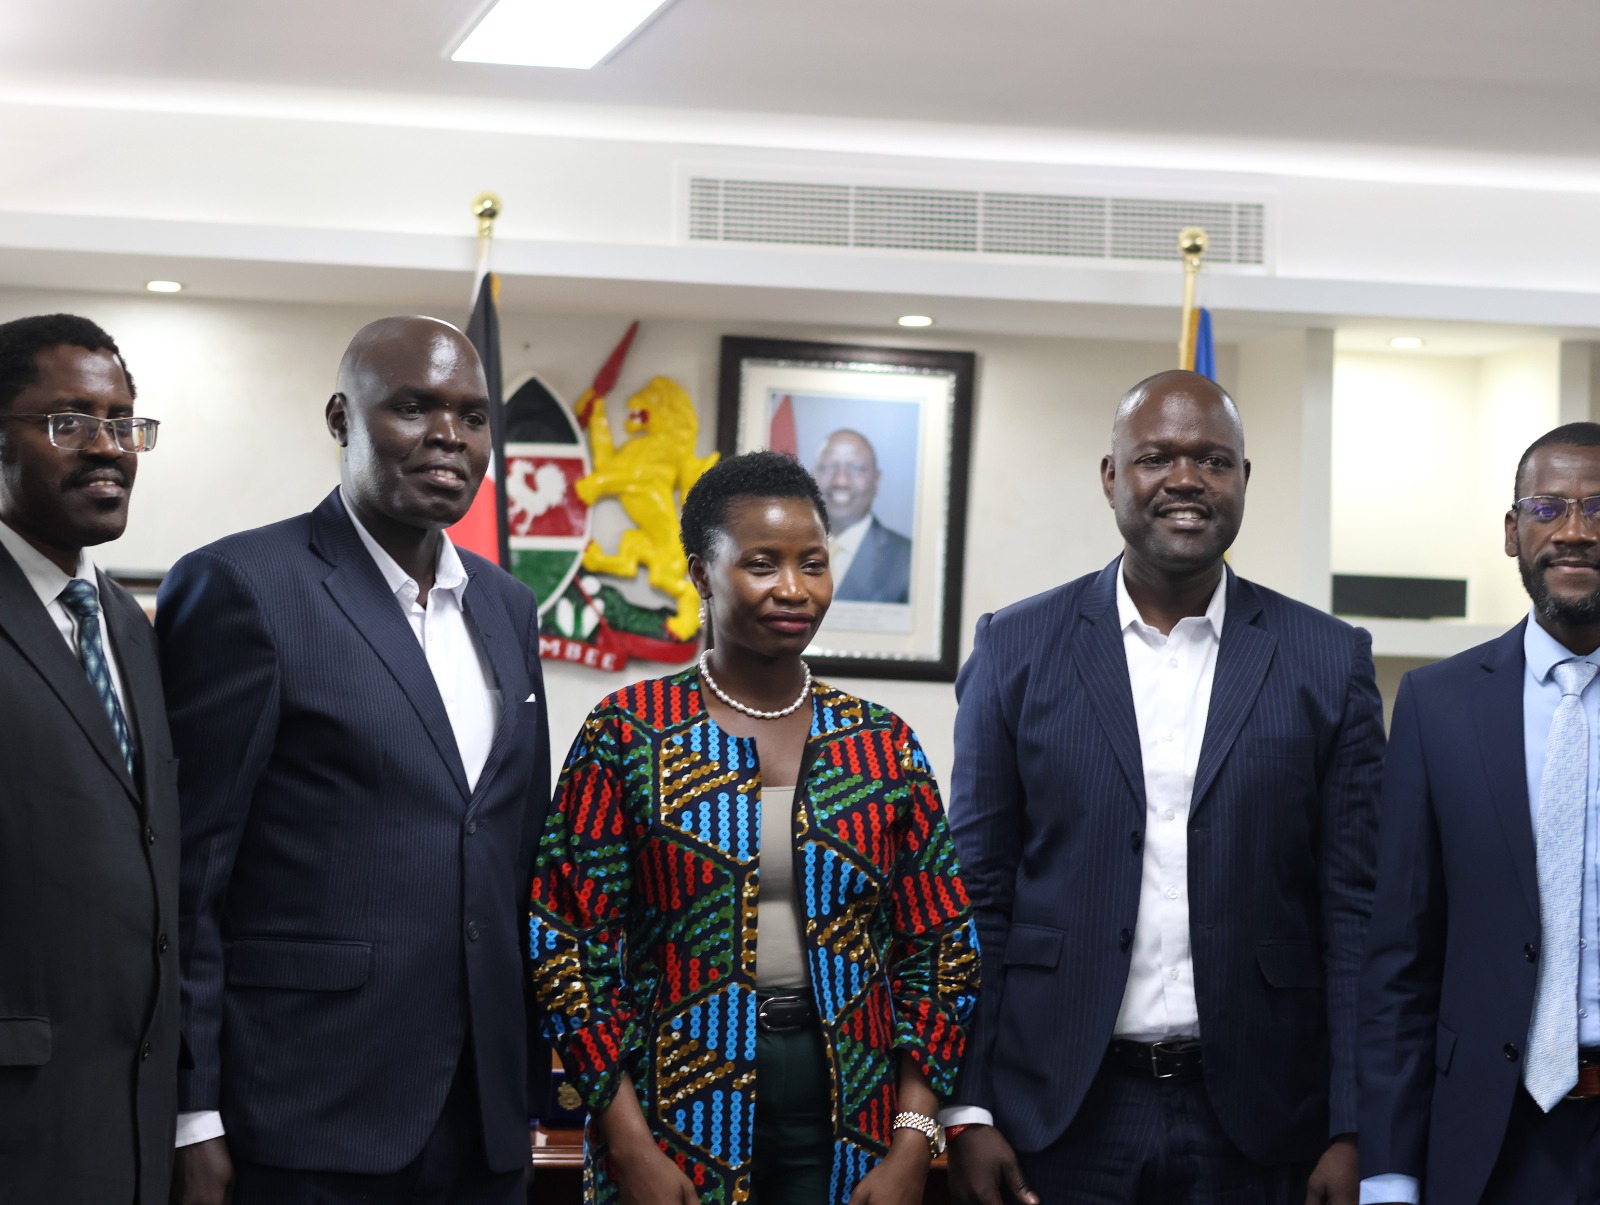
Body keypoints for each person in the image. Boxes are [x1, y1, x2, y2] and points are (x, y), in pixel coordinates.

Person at [945, 370, 1382, 1205]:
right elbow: (979, 897)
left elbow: (1356, 910)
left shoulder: (1329, 660)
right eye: (1156, 457)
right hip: (1060, 1114)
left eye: (1214, 460)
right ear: (1112, 477)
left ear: (1244, 481)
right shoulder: (1016, 649)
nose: (1186, 478)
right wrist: (969, 1108)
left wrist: (1355, 1122)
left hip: (1265, 1120)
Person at [160, 316, 552, 1205]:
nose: (449, 435)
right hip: (304, 1108)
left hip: (483, 1118)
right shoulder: (243, 587)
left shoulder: (507, 605)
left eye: (473, 415)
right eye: (413, 407)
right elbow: (189, 871)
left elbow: (510, 846)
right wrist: (193, 1111)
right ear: (342, 417)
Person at [528, 450, 979, 1205]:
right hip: (671, 1104)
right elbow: (567, 945)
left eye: (813, 563)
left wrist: (912, 1140)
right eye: (763, 564)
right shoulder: (629, 732)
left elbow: (939, 950)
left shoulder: (881, 745)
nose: (794, 589)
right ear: (702, 573)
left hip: (851, 1109)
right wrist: (627, 1141)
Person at [1360, 422, 1600, 1204]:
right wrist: (1390, 1171)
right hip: (1489, 1140)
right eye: (1547, 507)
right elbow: (1401, 954)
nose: (1574, 531)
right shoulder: (1436, 705)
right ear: (1511, 531)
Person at [0, 314, 177, 1205]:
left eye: (124, 422)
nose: (108, 449)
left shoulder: (130, 627)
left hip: (131, 1129)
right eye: (70, 422)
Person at [813, 429, 912, 604]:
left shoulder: (907, 561)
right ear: (813, 476)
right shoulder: (786, 548)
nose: (840, 481)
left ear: (877, 480)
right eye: (829, 467)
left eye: (856, 468)